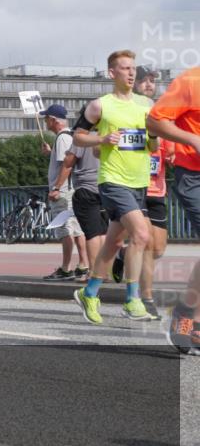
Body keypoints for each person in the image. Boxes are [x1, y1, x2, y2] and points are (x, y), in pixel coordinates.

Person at [73, 50, 157, 324]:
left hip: (139, 182)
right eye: (125, 68)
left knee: (113, 242)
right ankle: (132, 299)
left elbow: (153, 145)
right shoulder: (100, 106)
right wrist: (102, 139)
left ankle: (89, 293)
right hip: (112, 181)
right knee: (141, 234)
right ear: (112, 73)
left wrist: (154, 137)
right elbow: (78, 137)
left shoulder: (146, 104)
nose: (131, 73)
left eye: (133, 68)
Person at [147, 65, 200, 353]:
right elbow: (154, 122)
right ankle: (186, 313)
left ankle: (191, 315)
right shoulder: (191, 81)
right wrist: (192, 139)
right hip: (193, 175)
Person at [129, 67, 176, 320]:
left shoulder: (161, 114)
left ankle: (123, 257)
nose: (148, 85)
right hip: (134, 186)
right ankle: (146, 298)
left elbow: (169, 148)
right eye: (144, 80)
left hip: (158, 189)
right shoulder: (128, 112)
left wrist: (172, 155)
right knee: (145, 243)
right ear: (133, 83)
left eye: (151, 81)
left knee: (158, 249)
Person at [40, 104, 89, 280]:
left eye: (46, 118)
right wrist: (51, 152)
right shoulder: (70, 136)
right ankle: (83, 265)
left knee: (65, 229)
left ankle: (66, 268)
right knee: (76, 229)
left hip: (63, 191)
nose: (45, 121)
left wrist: (56, 188)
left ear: (54, 120)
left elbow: (66, 165)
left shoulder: (62, 138)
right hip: (72, 190)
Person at [66, 107, 107, 282]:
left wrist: (57, 186)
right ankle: (105, 271)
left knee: (91, 233)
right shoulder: (108, 136)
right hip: (106, 188)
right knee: (104, 231)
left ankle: (94, 273)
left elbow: (69, 162)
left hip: (86, 189)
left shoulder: (82, 138)